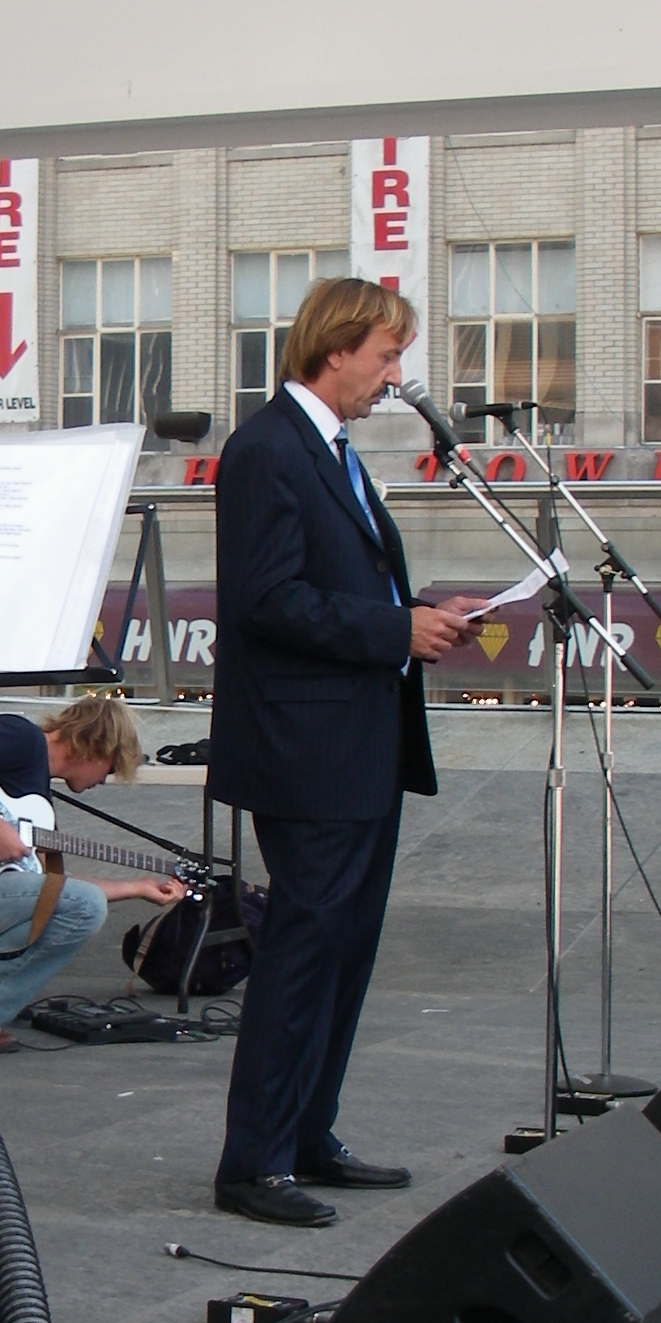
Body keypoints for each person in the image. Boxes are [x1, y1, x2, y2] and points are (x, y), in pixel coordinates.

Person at [208, 278, 481, 1226]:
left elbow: (337, 583)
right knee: (303, 947)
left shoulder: (331, 449)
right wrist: (393, 630)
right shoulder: (267, 449)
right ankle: (254, 1162)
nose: (395, 377)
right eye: (386, 355)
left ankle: (306, 1134)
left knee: (347, 949)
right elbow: (265, 599)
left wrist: (417, 616)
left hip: (359, 739)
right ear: (335, 350)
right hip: (306, 748)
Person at [0, 695, 188, 1047]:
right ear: (97, 746)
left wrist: (137, 888)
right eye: (111, 768)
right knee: (85, 907)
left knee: (75, 905)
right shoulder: (24, 740)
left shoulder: (36, 800)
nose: (103, 780)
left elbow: (47, 890)